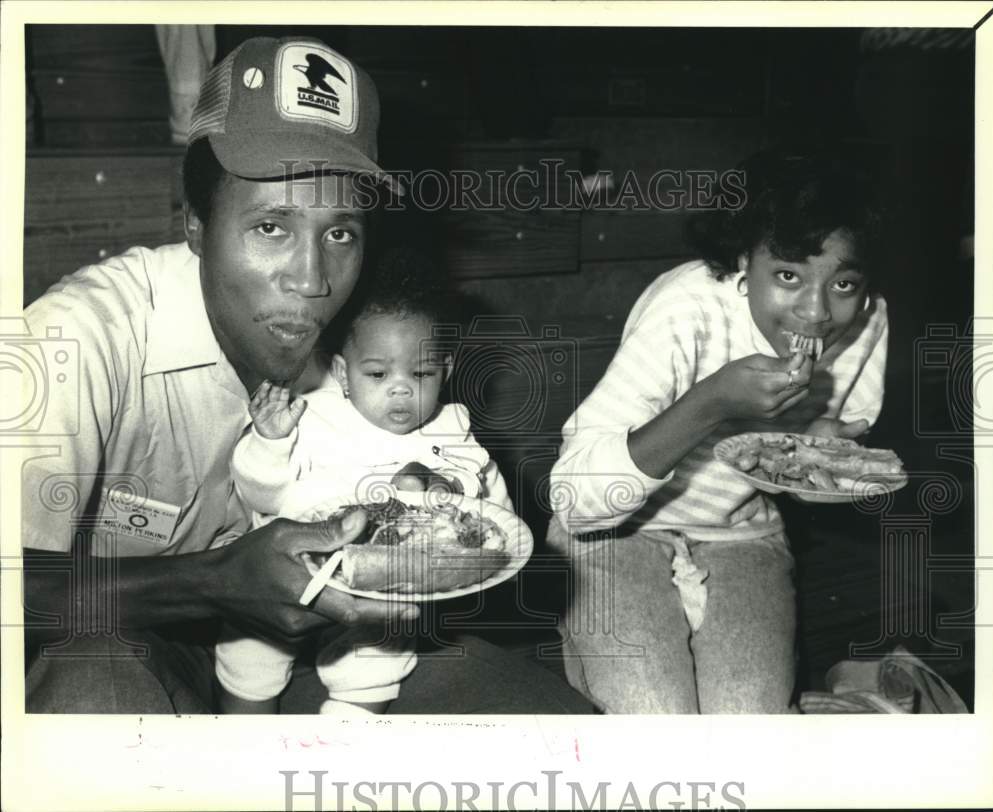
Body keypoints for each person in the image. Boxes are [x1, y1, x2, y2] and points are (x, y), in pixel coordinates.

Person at [21, 35, 591, 715]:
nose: (312, 279)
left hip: (335, 648)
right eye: (271, 228)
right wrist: (208, 584)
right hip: (129, 641)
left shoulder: (369, 344)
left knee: (550, 728)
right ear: (195, 225)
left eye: (340, 233)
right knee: (94, 695)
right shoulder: (80, 337)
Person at [547, 150, 889, 714]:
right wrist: (710, 404)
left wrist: (817, 452)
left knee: (746, 729)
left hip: (743, 533)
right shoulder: (686, 307)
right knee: (656, 714)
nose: (816, 312)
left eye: (844, 284)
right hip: (614, 532)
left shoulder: (869, 320)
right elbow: (576, 501)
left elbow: (802, 473)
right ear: (741, 260)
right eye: (787, 275)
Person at [215, 247, 514, 716]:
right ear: (343, 373)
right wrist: (271, 443)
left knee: (376, 663)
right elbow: (259, 494)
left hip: (382, 590)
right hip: (291, 571)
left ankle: (336, 753)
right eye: (377, 374)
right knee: (246, 649)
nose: (401, 388)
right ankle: (240, 743)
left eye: (421, 373)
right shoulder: (311, 414)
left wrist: (449, 492)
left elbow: (497, 519)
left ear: (447, 372)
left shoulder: (452, 431)